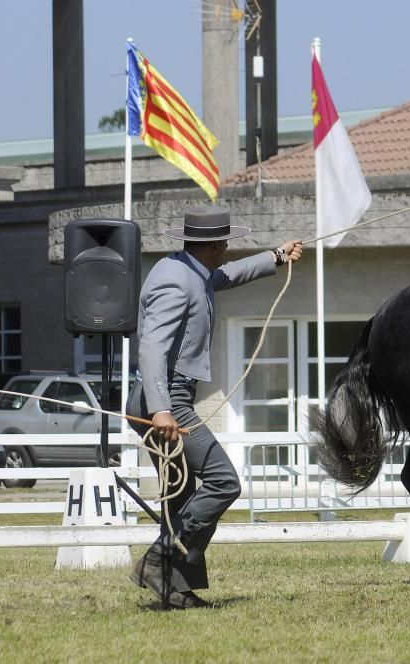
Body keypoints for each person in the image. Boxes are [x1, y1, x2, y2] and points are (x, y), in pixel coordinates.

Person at [126, 206, 302, 610]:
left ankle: (175, 588)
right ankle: (158, 559)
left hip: (169, 397)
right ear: (214, 244)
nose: (226, 250)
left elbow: (226, 277)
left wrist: (275, 256)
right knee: (224, 482)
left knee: (182, 493)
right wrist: (161, 409)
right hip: (165, 400)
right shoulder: (174, 280)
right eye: (224, 244)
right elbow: (152, 347)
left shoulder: (191, 271)